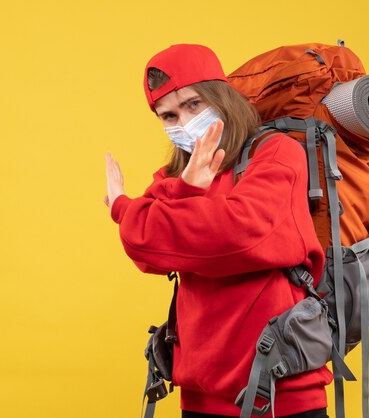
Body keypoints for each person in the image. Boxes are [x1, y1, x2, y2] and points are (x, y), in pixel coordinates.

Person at [104, 44, 333, 418]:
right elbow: (141, 245)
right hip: (199, 395)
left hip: (282, 395)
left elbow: (236, 235)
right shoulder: (174, 178)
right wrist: (184, 190)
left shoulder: (276, 154)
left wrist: (128, 209)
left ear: (221, 96)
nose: (184, 122)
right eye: (169, 115)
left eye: (194, 104)